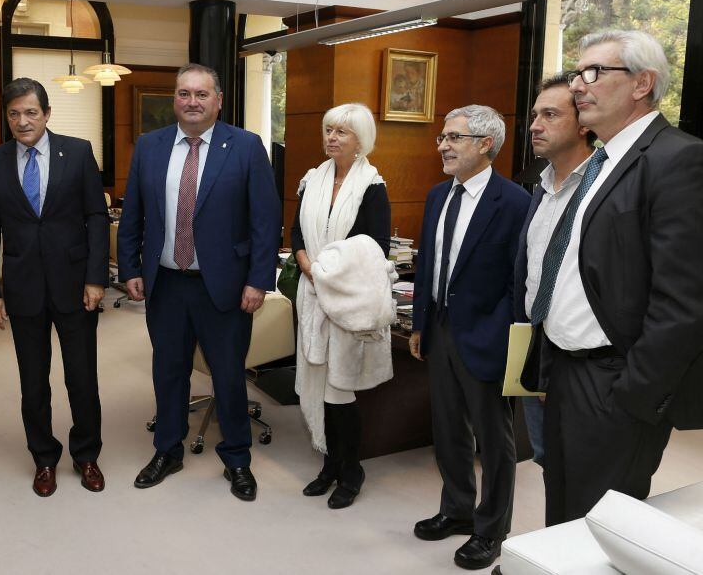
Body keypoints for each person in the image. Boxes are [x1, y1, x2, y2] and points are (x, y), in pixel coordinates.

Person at [535, 29, 703, 525]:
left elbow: (684, 301)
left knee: (597, 527)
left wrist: (634, 393)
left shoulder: (678, 158)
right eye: (575, 74)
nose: (578, 86)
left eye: (593, 73)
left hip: (615, 383)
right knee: (562, 514)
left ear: (641, 83)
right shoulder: (603, 161)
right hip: (569, 372)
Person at [117, 63, 281, 502]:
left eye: (201, 94)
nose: (192, 102)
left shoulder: (246, 147)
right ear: (174, 98)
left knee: (228, 374)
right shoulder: (150, 147)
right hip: (166, 283)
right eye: (184, 93)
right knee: (167, 371)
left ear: (218, 100)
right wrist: (130, 269)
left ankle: (237, 458)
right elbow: (132, 214)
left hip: (225, 284)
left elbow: (266, 220)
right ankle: (167, 450)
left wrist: (258, 280)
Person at [408, 105, 529, 570]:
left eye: (454, 137)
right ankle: (456, 510)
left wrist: (505, 336)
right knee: (448, 429)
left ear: (485, 144)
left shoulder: (516, 202)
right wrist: (420, 322)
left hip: (487, 336)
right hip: (440, 329)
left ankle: (491, 529)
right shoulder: (439, 195)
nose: (442, 145)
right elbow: (429, 267)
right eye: (442, 136)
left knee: (494, 441)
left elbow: (518, 280)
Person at [0, 78, 109, 497]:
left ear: (47, 114)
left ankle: (86, 454)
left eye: (31, 112)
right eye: (14, 114)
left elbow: (96, 218)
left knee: (82, 378)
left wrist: (95, 278)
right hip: (23, 287)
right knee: (33, 382)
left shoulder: (79, 151)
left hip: (75, 286)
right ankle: (44, 458)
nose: (22, 121)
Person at [291, 103, 392, 509]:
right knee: (317, 380)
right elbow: (296, 230)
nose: (332, 137)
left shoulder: (372, 186)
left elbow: (375, 250)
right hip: (311, 290)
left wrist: (327, 273)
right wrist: (306, 263)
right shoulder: (312, 179)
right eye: (329, 129)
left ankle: (352, 470)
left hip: (348, 299)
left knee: (340, 388)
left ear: (361, 140)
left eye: (342, 132)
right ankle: (330, 464)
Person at [512, 74, 595, 470]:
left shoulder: (603, 187)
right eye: (533, 115)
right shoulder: (540, 188)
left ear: (583, 124)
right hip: (536, 347)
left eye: (549, 114)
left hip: (583, 359)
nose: (534, 126)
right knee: (548, 461)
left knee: (583, 469)